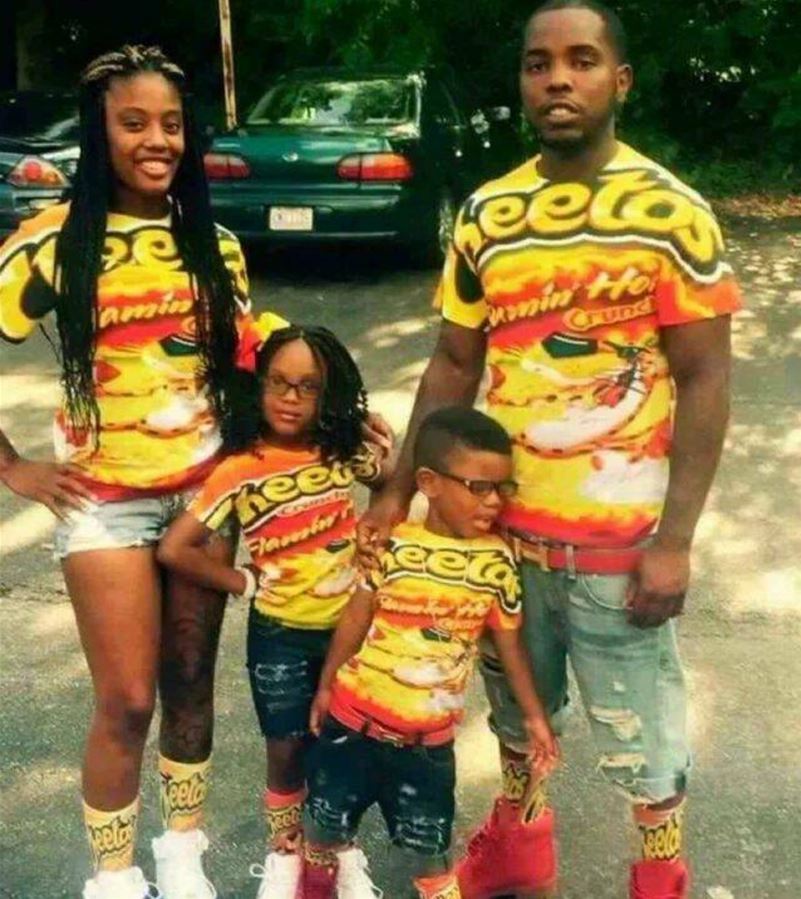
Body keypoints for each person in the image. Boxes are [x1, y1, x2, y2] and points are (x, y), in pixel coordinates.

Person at [358, 3, 742, 897]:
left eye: (581, 60)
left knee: (644, 736)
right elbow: (454, 362)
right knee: (516, 713)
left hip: (619, 548)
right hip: (502, 537)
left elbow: (705, 378)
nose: (558, 79)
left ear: (620, 80)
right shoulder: (488, 214)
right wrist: (396, 490)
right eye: (538, 64)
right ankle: (519, 847)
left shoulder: (670, 213)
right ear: (523, 82)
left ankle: (659, 876)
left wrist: (676, 540)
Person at [0, 45, 290, 899]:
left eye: (170, 124)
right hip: (105, 504)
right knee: (127, 698)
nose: (156, 140)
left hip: (204, 499)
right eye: (133, 123)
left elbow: (242, 365)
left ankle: (182, 854)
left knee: (190, 685)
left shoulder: (215, 246)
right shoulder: (52, 243)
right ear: (100, 132)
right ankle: (115, 876)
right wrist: (13, 466)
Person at [157, 324, 393, 899]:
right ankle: (284, 856)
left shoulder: (343, 452)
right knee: (286, 748)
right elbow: (175, 548)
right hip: (279, 635)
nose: (292, 398)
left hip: (350, 631)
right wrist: (241, 580)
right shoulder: (239, 468)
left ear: (330, 394)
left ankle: (339, 853)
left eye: (309, 387)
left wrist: (377, 523)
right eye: (279, 383)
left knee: (341, 746)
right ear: (257, 386)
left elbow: (394, 484)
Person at [302, 406, 560, 899]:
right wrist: (326, 684)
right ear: (429, 482)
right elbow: (356, 616)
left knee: (433, 868)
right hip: (350, 728)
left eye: (501, 488)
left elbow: (510, 645)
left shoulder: (497, 563)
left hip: (427, 751)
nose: (493, 502)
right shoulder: (393, 545)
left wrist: (534, 718)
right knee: (322, 835)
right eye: (478, 487)